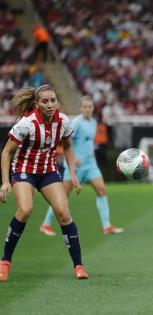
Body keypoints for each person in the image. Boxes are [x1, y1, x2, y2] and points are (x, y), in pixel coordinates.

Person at [0, 85, 88, 281]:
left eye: (53, 101)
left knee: (64, 214)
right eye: (45, 101)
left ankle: (79, 266)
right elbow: (6, 152)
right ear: (37, 104)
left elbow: (67, 146)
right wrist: (5, 182)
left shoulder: (64, 121)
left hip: (48, 171)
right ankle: (5, 262)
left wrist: (72, 173)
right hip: (24, 170)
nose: (50, 105)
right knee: (25, 210)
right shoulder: (27, 123)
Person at [39, 96, 123, 236]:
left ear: (93, 108)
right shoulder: (76, 123)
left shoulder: (94, 122)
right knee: (62, 196)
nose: (87, 109)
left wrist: (92, 160)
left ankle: (107, 226)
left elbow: (89, 143)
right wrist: (74, 158)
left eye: (90, 107)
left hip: (90, 165)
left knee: (102, 190)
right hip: (75, 166)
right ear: (81, 108)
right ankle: (45, 224)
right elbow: (67, 141)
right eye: (85, 107)